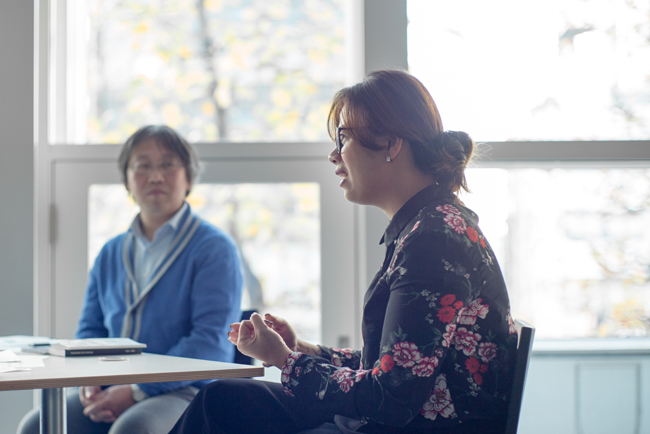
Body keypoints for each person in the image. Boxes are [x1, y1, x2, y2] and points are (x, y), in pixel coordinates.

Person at [168, 70, 518, 434]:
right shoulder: (426, 225)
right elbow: (391, 367)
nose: (334, 155)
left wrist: (284, 361)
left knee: (221, 408)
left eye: (344, 138)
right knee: (221, 400)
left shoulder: (434, 238)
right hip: (396, 419)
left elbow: (392, 396)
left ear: (390, 144)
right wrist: (302, 350)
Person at [17, 125, 243, 434]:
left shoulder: (214, 249)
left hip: (187, 390)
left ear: (188, 177)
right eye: (142, 166)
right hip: (113, 386)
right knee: (36, 425)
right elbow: (90, 331)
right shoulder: (111, 252)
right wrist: (89, 380)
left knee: (134, 428)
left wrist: (138, 390)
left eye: (167, 164)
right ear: (127, 180)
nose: (155, 176)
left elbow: (210, 343)